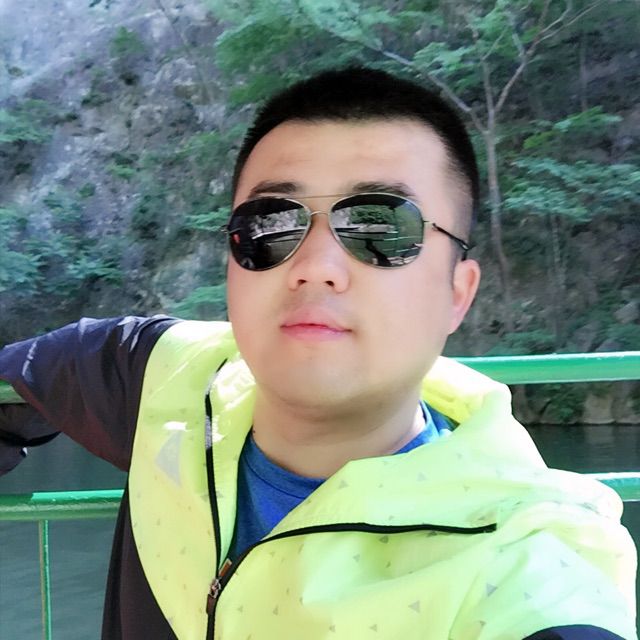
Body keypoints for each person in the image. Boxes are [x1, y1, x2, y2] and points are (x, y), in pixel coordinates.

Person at [0, 67, 637, 640]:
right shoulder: (163, 376)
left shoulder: (522, 566)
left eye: (381, 226)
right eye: (271, 224)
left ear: (457, 293)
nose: (316, 265)